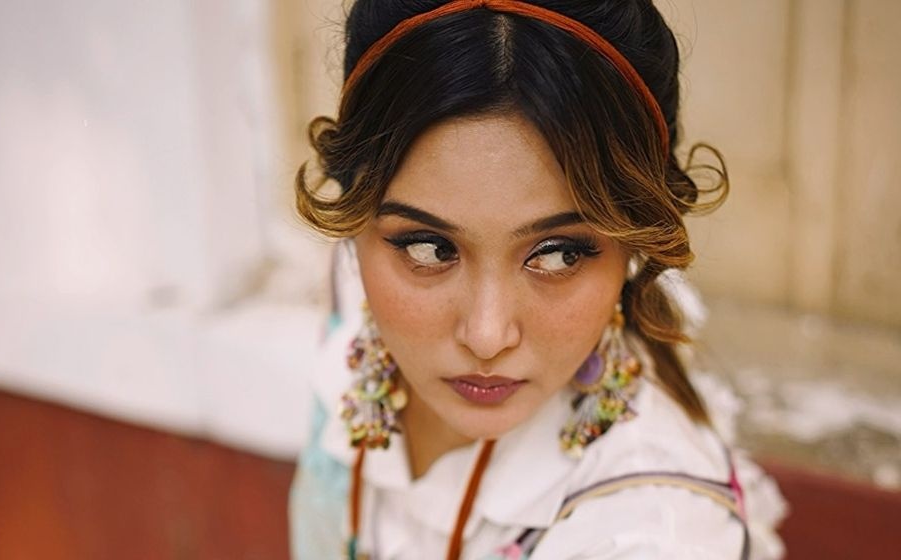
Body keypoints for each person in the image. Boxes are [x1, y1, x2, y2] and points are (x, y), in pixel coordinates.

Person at [290, 1, 786, 558]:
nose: (486, 336)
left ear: (635, 241)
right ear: (355, 218)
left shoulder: (647, 536)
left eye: (557, 255)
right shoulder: (352, 280)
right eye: (431, 248)